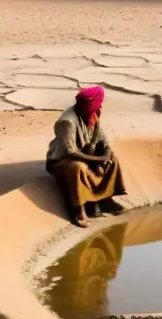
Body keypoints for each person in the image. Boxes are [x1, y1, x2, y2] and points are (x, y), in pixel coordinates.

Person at [46, 86, 127, 228]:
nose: (100, 107)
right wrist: (98, 160)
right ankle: (78, 209)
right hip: (61, 160)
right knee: (78, 167)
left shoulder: (93, 115)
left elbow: (103, 140)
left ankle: (106, 199)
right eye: (98, 104)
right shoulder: (68, 121)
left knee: (113, 157)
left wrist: (106, 154)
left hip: (87, 153)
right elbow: (71, 152)